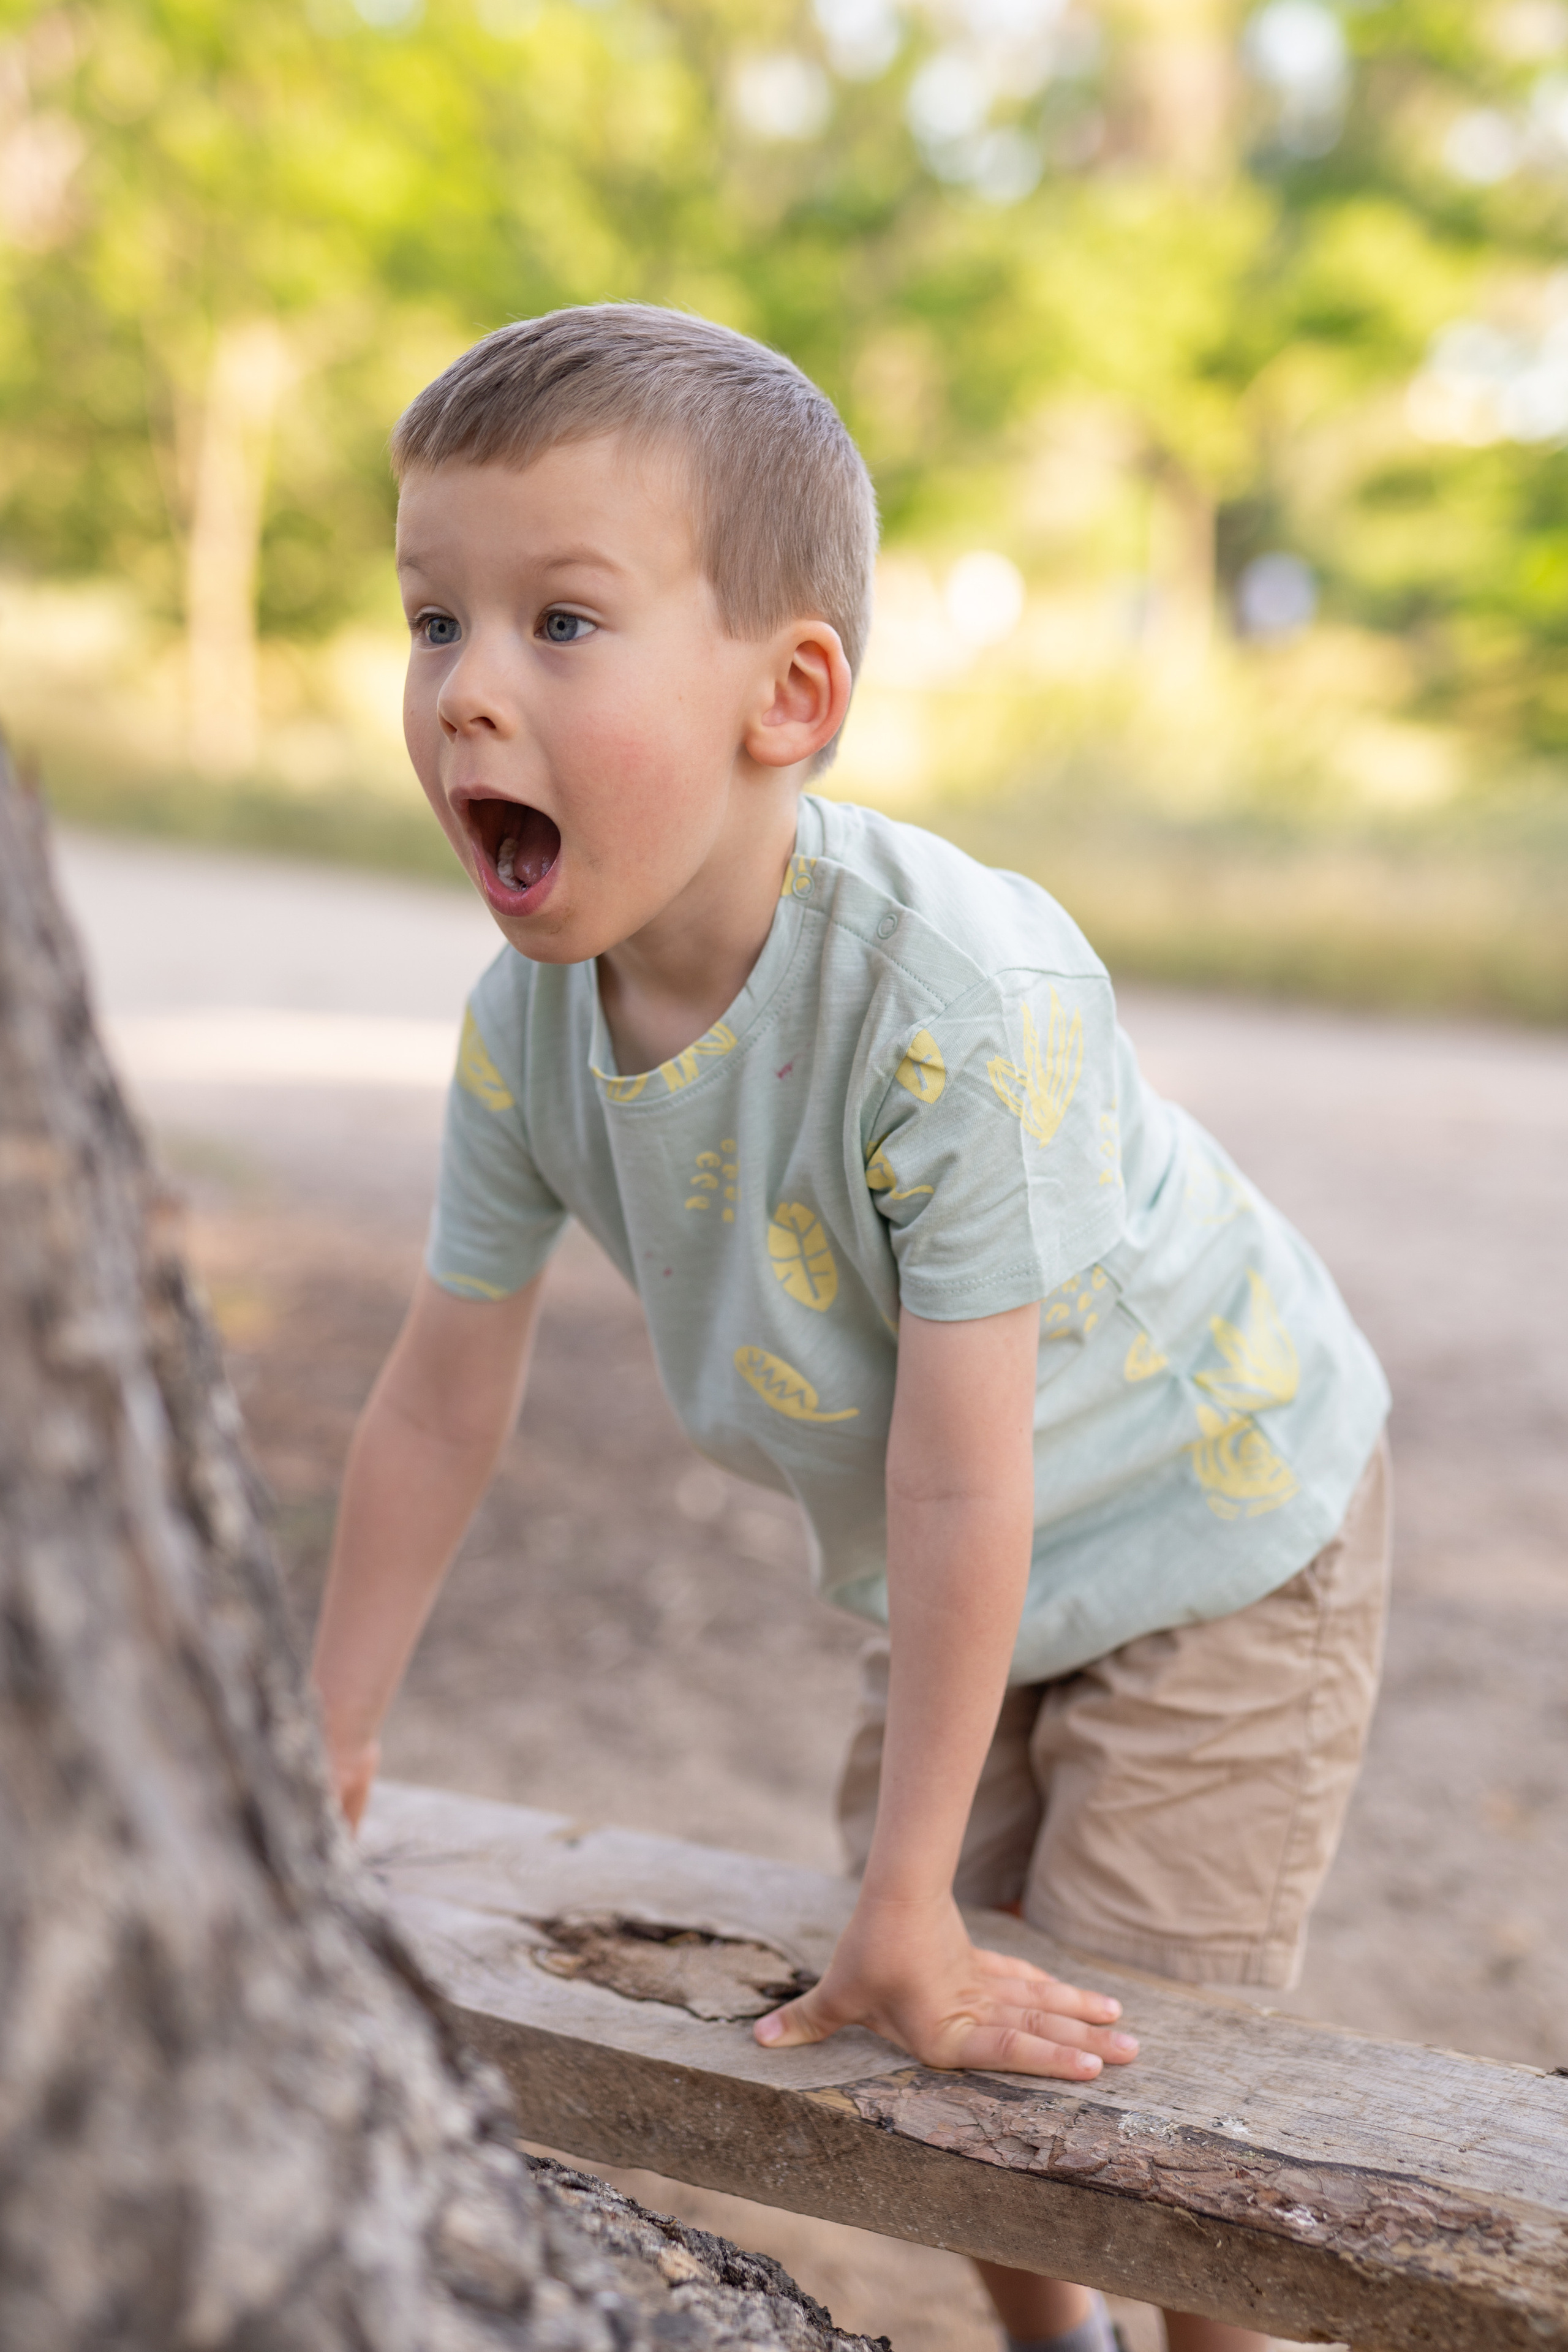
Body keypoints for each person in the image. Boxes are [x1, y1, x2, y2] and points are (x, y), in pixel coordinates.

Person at [311, 305, 1391, 2352]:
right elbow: (442, 1403)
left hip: (1219, 1519)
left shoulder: (941, 1002)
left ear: (786, 695)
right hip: (976, 1560)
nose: (462, 694)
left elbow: (966, 1461)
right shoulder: (524, 1032)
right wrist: (333, 1725)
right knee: (925, 2015)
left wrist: (911, 1905)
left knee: (1127, 2053)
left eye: (559, 624)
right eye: (432, 620)